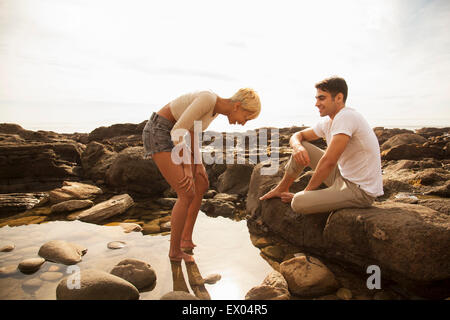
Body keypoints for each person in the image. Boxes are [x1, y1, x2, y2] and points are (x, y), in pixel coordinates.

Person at [143, 89, 261, 262]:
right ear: (237, 106)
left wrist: (198, 165)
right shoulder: (208, 99)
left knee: (201, 183)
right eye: (247, 117)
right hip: (159, 131)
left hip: (174, 134)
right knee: (186, 192)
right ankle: (174, 252)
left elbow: (192, 133)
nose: (244, 123)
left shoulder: (215, 110)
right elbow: (178, 132)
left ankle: (186, 239)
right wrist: (188, 168)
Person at [260, 76, 383, 214]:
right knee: (303, 147)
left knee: (298, 203)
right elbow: (298, 136)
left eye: (322, 98)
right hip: (342, 176)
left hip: (360, 190)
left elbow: (329, 161)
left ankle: (307, 197)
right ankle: (282, 188)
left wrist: (306, 194)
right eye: (316, 98)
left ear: (338, 98)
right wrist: (298, 147)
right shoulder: (328, 121)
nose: (316, 103)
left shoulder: (346, 117)